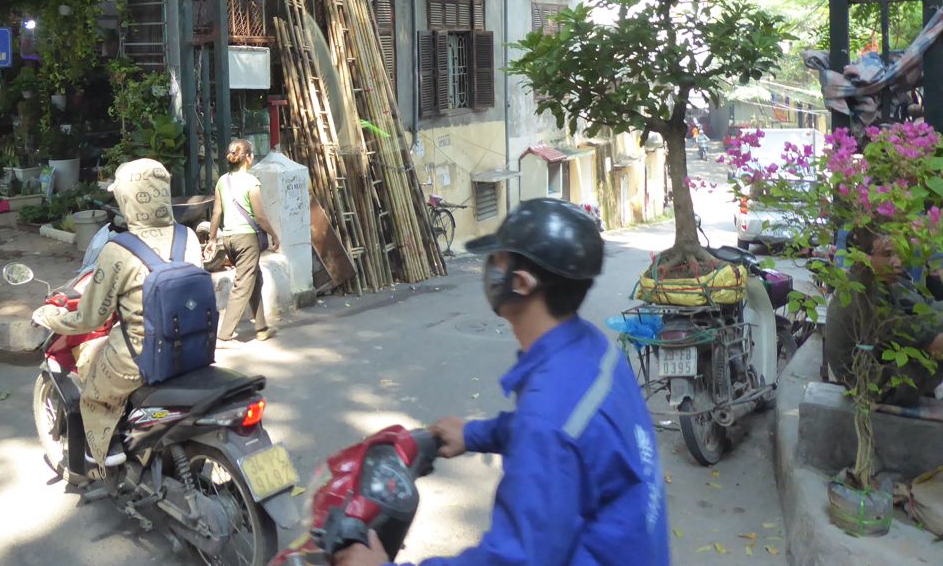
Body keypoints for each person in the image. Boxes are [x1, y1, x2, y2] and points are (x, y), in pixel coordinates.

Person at [337, 198, 670, 566]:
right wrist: (476, 434)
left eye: (498, 260)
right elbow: (566, 435)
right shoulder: (594, 350)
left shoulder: (549, 413)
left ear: (521, 283)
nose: (489, 270)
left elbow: (514, 559)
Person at [33, 158, 203, 479]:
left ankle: (106, 453)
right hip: (194, 350)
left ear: (127, 199)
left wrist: (51, 318)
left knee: (93, 389)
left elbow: (89, 318)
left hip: (138, 360)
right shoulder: (188, 237)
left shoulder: (118, 250)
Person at [824, 226, 943, 405]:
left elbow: (926, 306)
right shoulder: (864, 296)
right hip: (869, 383)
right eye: (888, 255)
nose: (898, 262)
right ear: (862, 258)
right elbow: (920, 334)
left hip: (878, 366)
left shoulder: (881, 282)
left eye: (898, 254)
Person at [206, 139, 280, 344]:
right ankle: (224, 334)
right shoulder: (251, 182)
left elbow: (216, 213)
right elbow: (261, 216)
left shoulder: (222, 181)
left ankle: (261, 328)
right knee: (242, 284)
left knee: (254, 279)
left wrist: (212, 239)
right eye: (252, 154)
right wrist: (274, 234)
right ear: (247, 158)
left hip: (229, 239)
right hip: (247, 239)